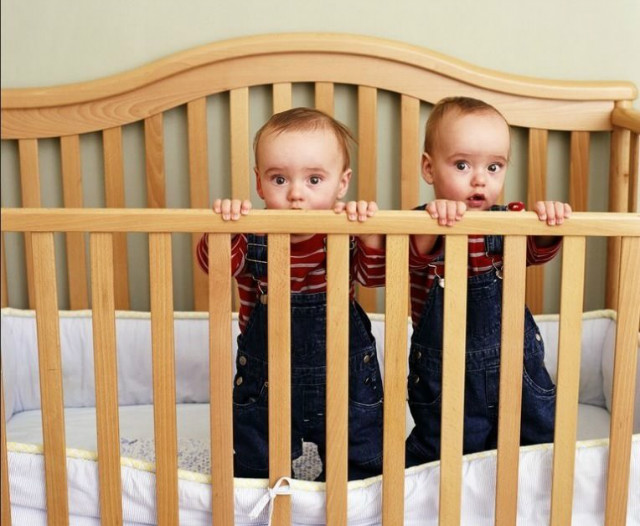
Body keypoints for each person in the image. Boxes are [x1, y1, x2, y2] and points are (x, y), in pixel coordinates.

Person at [196, 107, 385, 480]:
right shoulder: (250, 231)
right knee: (256, 464)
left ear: (342, 183)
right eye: (279, 179)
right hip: (267, 379)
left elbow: (376, 275)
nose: (296, 194)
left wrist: (372, 234)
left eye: (314, 179)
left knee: (358, 464)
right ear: (259, 183)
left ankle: (345, 499)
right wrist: (224, 229)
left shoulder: (345, 228)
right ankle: (268, 501)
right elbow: (215, 268)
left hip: (343, 376)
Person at [405, 96, 572, 466]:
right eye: (462, 165)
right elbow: (410, 257)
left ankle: (538, 491)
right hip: (445, 373)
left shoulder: (509, 221)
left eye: (494, 167)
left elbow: (537, 251)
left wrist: (548, 223)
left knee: (541, 446)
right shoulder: (421, 224)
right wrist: (433, 220)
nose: (480, 179)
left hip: (517, 367)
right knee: (442, 451)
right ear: (429, 169)